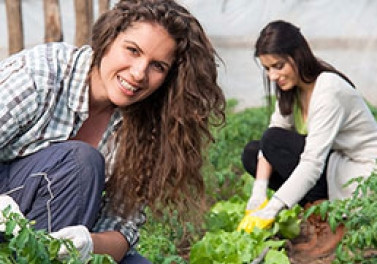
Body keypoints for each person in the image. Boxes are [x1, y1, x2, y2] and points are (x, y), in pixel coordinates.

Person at [0, 0, 226, 263]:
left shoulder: (146, 127)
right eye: (132, 50)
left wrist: (87, 243)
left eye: (158, 66)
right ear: (108, 39)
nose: (139, 73)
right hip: (8, 218)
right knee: (79, 162)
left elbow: (122, 230)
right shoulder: (42, 74)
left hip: (46, 235)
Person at [238, 20, 377, 257]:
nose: (273, 76)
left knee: (273, 142)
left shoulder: (328, 89)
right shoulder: (293, 89)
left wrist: (273, 208)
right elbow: (271, 137)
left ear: (297, 55)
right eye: (267, 69)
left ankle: (333, 224)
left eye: (278, 66)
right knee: (254, 152)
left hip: (363, 176)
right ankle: (318, 216)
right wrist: (259, 192)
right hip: (335, 167)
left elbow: (312, 163)